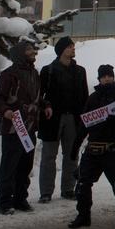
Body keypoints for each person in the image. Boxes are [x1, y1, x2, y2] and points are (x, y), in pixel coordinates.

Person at [68, 64, 115, 229]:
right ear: (99, 79)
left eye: (109, 76)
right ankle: (83, 216)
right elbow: (84, 124)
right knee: (83, 183)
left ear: (113, 77)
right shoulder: (93, 98)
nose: (107, 79)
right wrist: (75, 147)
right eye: (103, 76)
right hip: (93, 147)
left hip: (113, 148)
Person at [0, 40, 50, 215]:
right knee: (9, 165)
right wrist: (6, 111)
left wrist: (45, 105)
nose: (33, 52)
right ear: (19, 54)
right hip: (13, 127)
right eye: (29, 50)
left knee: (25, 164)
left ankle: (20, 198)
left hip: (29, 127)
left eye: (32, 49)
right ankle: (3, 201)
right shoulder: (9, 75)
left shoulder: (34, 73)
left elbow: (38, 97)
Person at [38, 35, 89, 203]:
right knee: (48, 156)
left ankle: (68, 189)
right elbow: (40, 95)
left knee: (71, 155)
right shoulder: (48, 71)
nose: (73, 49)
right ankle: (46, 192)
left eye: (73, 46)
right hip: (52, 119)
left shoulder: (80, 71)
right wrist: (46, 105)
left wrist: (83, 118)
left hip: (73, 118)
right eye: (69, 47)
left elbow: (84, 97)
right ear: (61, 50)